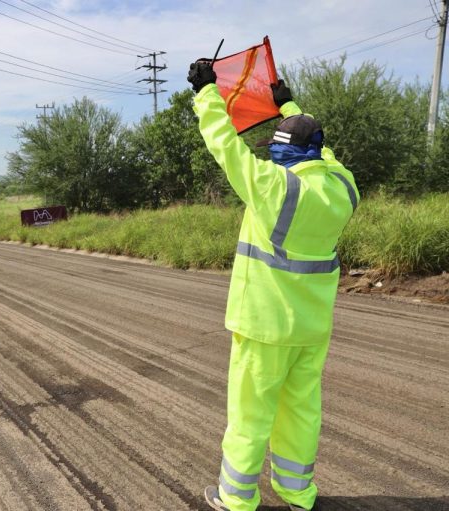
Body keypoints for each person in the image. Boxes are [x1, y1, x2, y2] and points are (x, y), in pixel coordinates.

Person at [186, 59, 359, 511]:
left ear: (282, 153)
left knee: (250, 415)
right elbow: (326, 153)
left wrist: (207, 93)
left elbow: (226, 147)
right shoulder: (343, 186)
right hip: (311, 329)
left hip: (264, 327)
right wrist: (290, 107)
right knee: (301, 412)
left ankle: (237, 498)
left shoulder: (271, 185)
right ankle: (297, 492)